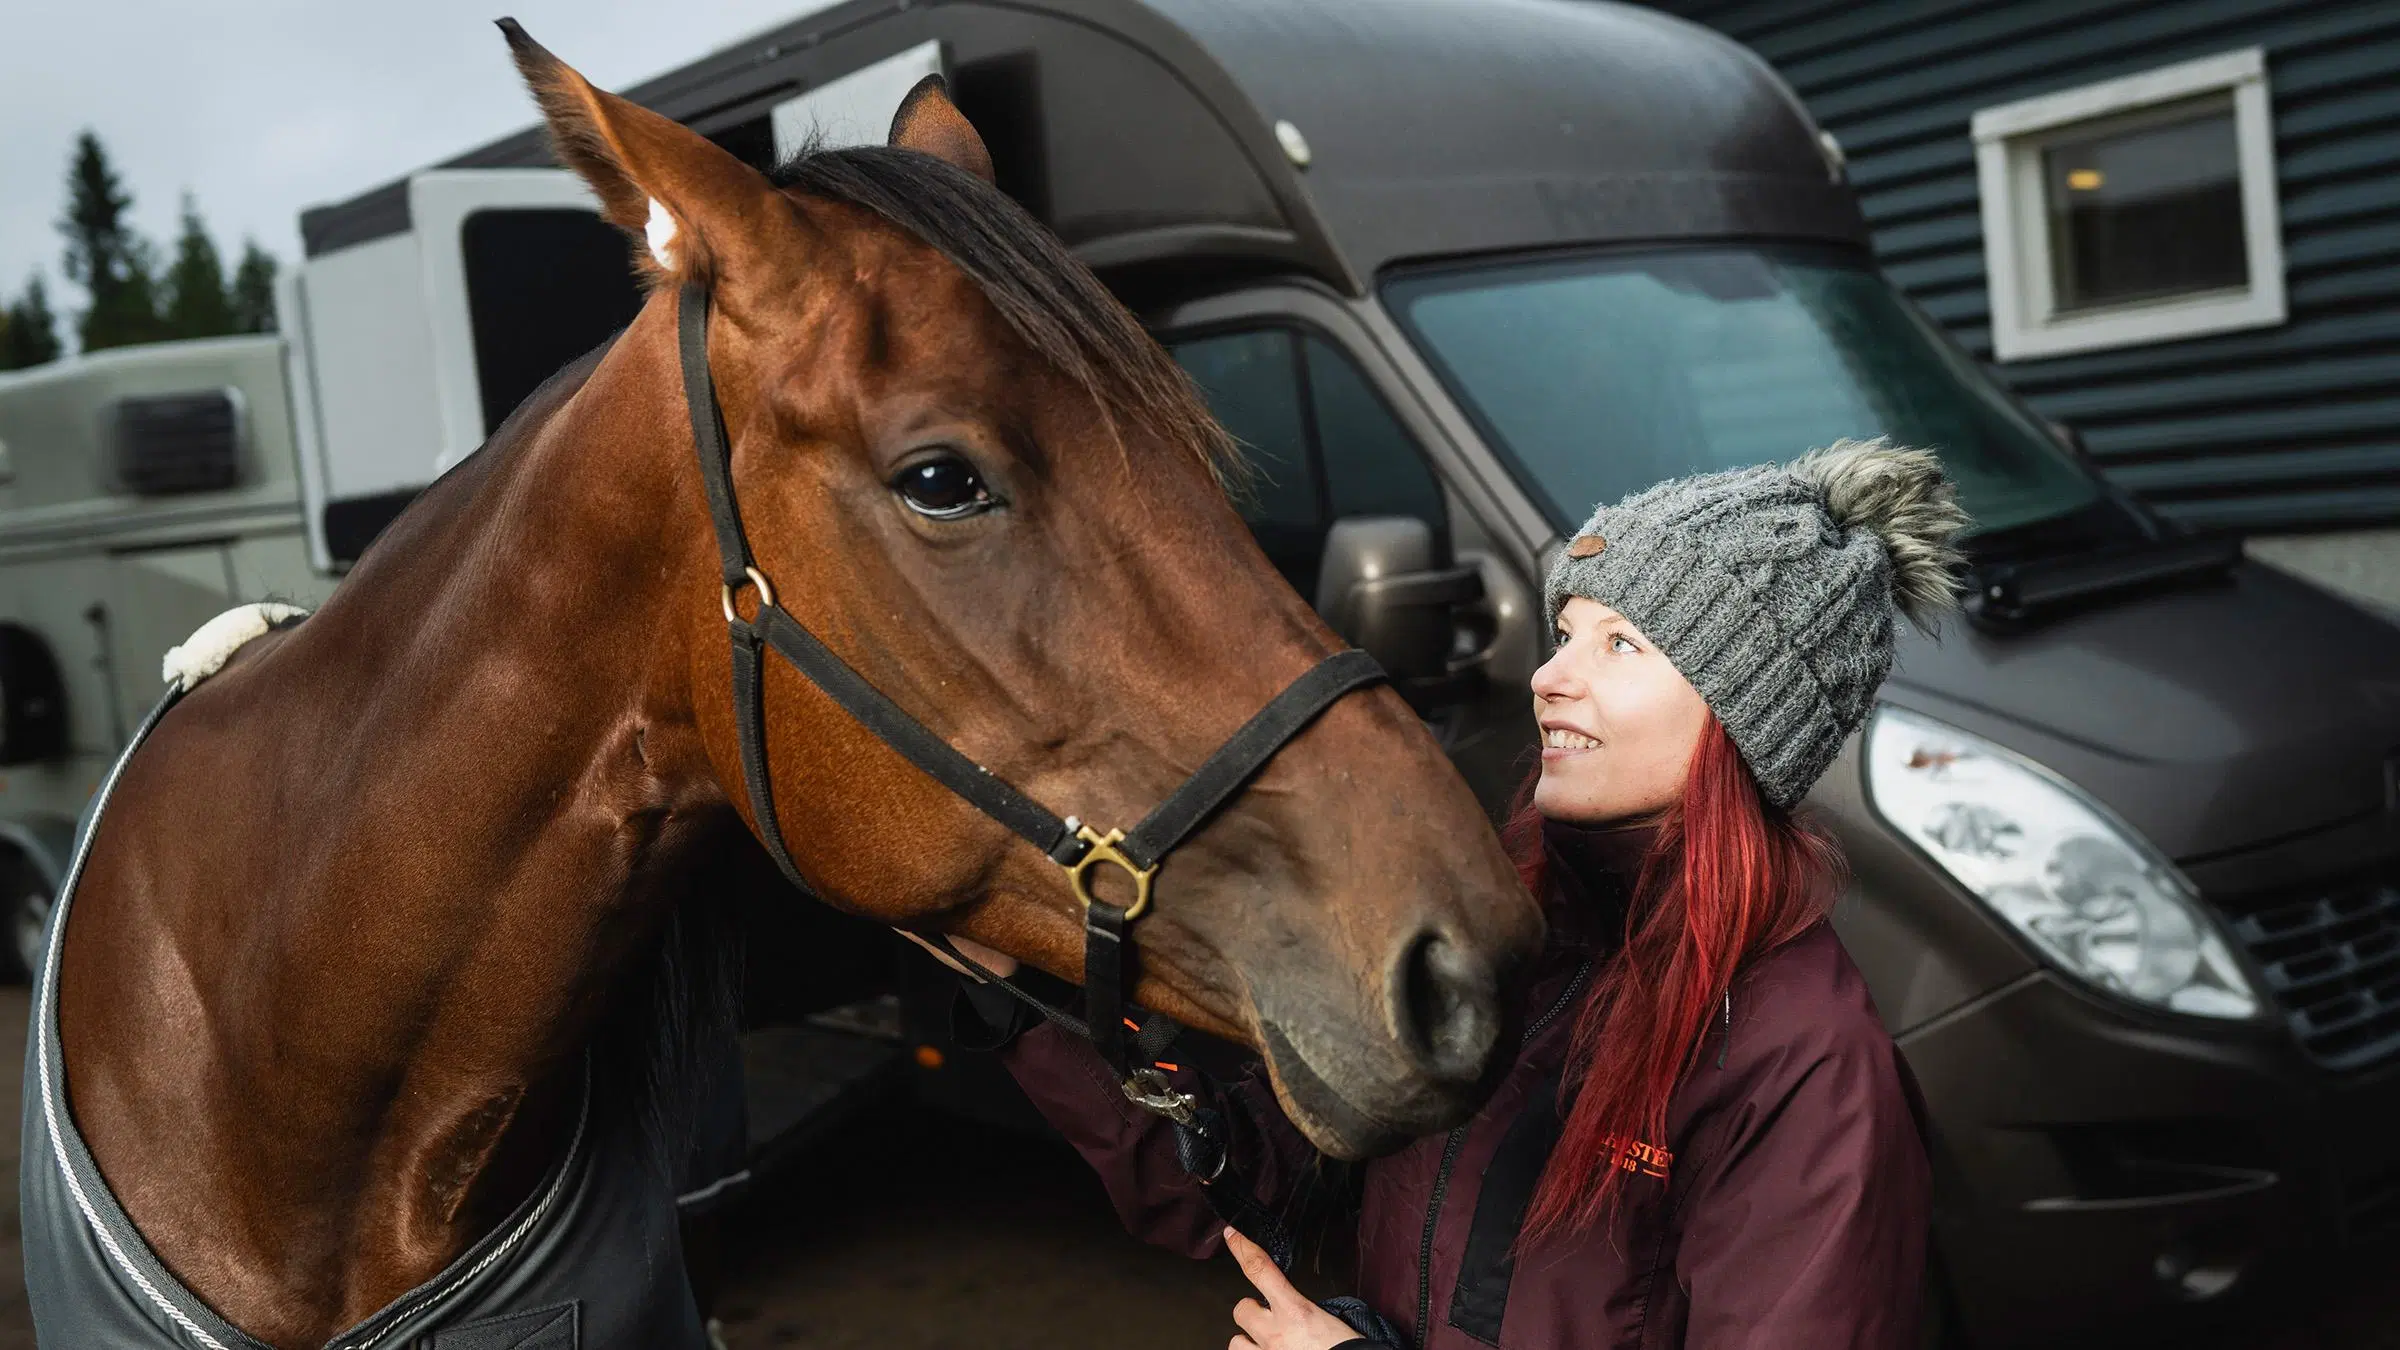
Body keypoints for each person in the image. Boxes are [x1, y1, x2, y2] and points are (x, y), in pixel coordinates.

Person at [915, 439, 1968, 1349]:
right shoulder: (1502, 934)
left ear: (1746, 718)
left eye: (1620, 645)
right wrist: (1026, 1002)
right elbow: (1252, 1187)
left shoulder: (1801, 1058)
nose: (1552, 677)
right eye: (1565, 637)